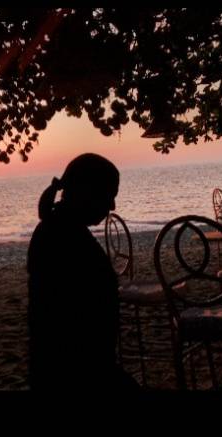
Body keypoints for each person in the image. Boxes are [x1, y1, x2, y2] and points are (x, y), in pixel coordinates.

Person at [27, 153, 139, 391]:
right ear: (87, 192)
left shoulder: (58, 229)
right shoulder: (65, 238)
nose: (112, 206)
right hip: (76, 373)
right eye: (109, 195)